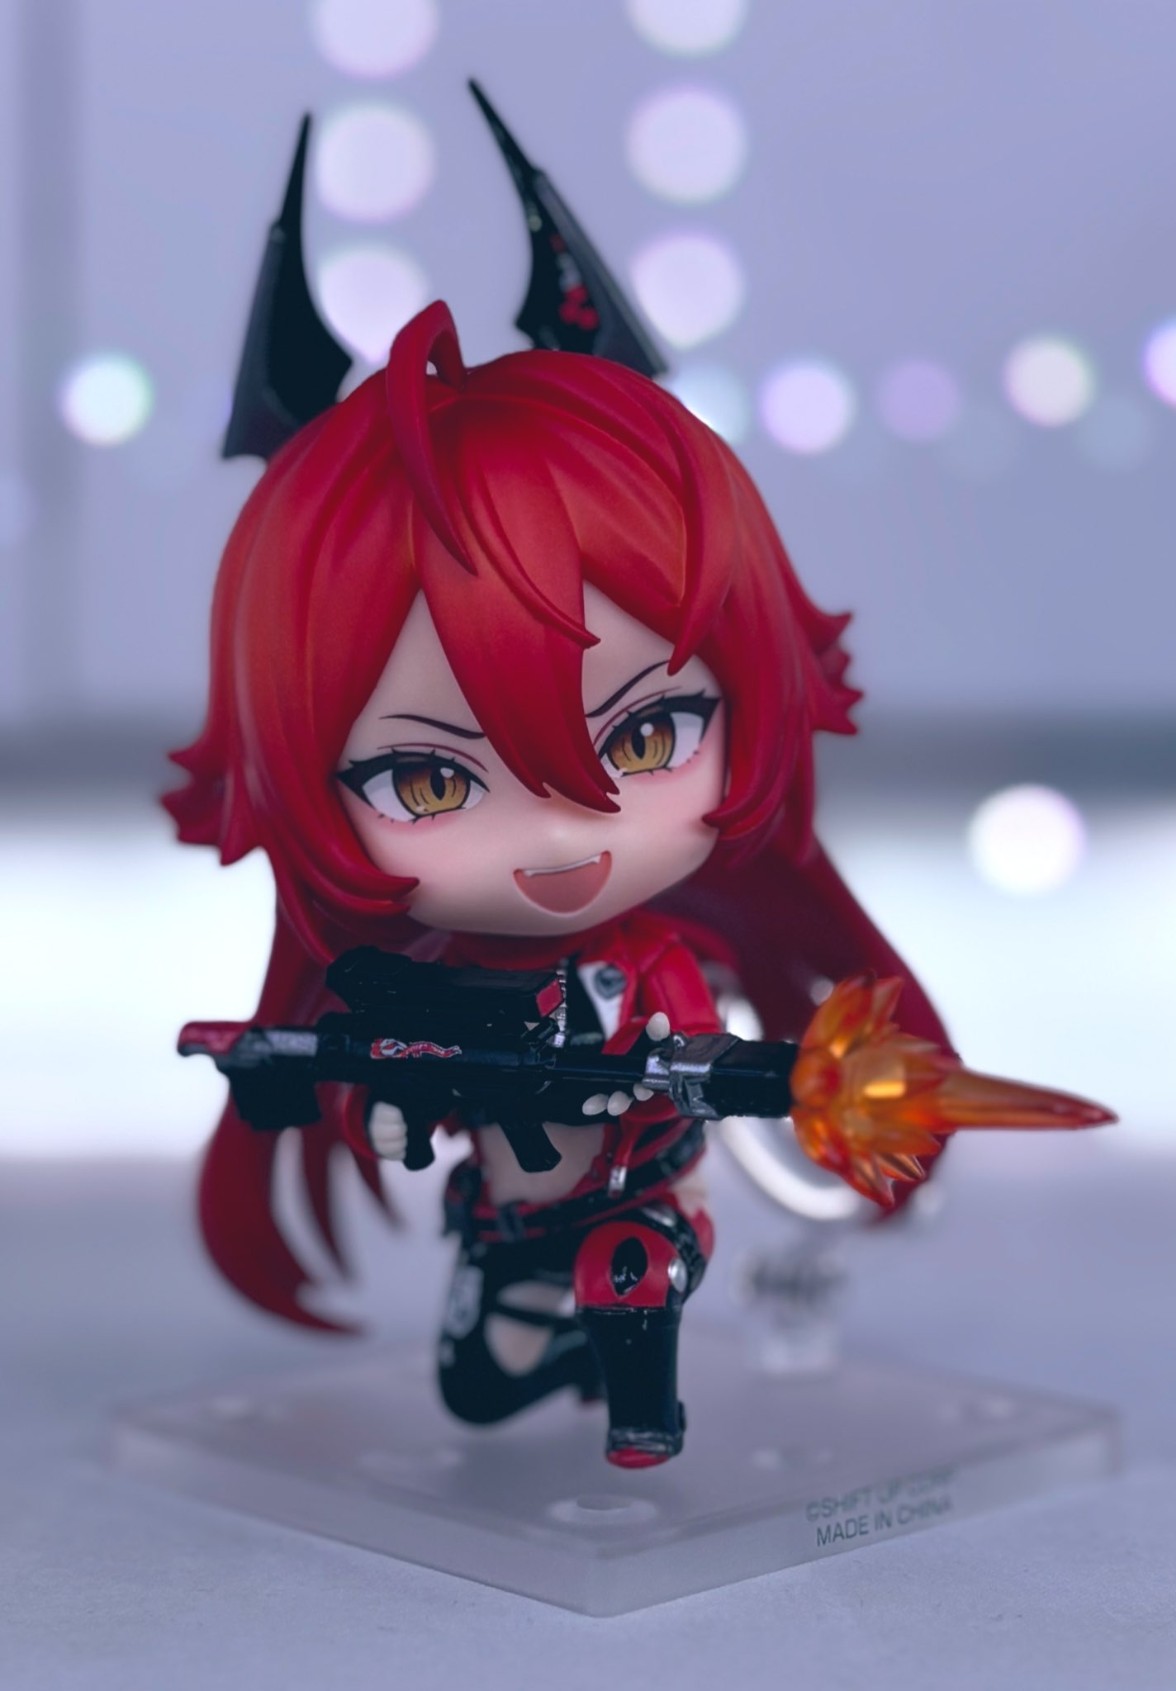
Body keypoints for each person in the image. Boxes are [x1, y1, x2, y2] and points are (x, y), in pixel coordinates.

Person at [165, 298, 948, 1467]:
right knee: (480, 1388)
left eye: (644, 738)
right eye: (431, 779)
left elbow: (700, 1050)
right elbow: (375, 1079)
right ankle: (568, 1343)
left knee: (630, 1274)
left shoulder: (650, 968)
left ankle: (642, 1409)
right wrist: (381, 1107)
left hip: (640, 1196)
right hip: (507, 1217)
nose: (561, 831)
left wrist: (723, 1077)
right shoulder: (423, 987)